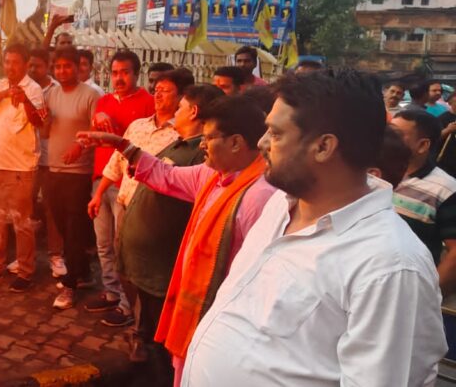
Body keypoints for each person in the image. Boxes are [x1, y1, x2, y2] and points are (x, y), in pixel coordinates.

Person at [182, 69, 447, 386]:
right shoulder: (280, 204)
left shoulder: (390, 266)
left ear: (324, 147)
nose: (263, 142)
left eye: (277, 134)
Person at [80, 91, 276, 384]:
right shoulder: (212, 175)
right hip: (198, 308)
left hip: (222, 320)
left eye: (209, 138)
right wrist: (121, 145)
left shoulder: (260, 197)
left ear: (236, 143)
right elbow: (164, 176)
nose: (203, 145)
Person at [88, 68, 193, 329]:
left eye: (165, 90)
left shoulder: (182, 136)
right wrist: (99, 193)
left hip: (153, 212)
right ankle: (126, 306)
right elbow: (116, 161)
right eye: (156, 89)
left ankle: (142, 326)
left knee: (146, 272)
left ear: (182, 97)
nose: (158, 94)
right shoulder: (138, 126)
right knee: (122, 261)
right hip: (124, 204)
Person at [88, 50, 154, 313]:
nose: (119, 77)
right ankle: (111, 292)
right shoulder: (103, 101)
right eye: (115, 73)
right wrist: (98, 120)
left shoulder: (148, 103)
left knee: (121, 245)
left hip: (127, 183)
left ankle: (128, 305)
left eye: (125, 72)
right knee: (103, 243)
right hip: (100, 179)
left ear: (137, 74)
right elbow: (96, 135)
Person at [0, 43, 45, 289]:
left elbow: (40, 122)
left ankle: (25, 271)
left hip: (21, 167)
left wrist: (24, 99)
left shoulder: (34, 89)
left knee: (21, 221)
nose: (10, 67)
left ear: (26, 64)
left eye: (15, 62)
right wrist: (4, 94)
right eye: (7, 62)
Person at [43, 47, 101, 305]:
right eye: (58, 67)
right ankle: (84, 273)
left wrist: (80, 146)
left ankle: (70, 286)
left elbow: (97, 130)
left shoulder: (91, 95)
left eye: (68, 66)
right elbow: (44, 131)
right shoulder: (51, 94)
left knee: (74, 228)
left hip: (79, 172)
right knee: (63, 227)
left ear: (79, 67)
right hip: (53, 168)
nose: (62, 71)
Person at [391, 109, 456, 296]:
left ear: (422, 145)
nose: (386, 139)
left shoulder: (445, 189)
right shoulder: (373, 175)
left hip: (409, 291)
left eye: (396, 135)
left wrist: (427, 297)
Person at [27, 48, 63, 273]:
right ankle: (25, 257)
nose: (33, 69)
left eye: (37, 65)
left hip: (51, 159)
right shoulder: (24, 89)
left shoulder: (57, 92)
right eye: (30, 65)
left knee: (52, 209)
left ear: (48, 66)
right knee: (26, 209)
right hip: (27, 158)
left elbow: (52, 126)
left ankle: (56, 256)